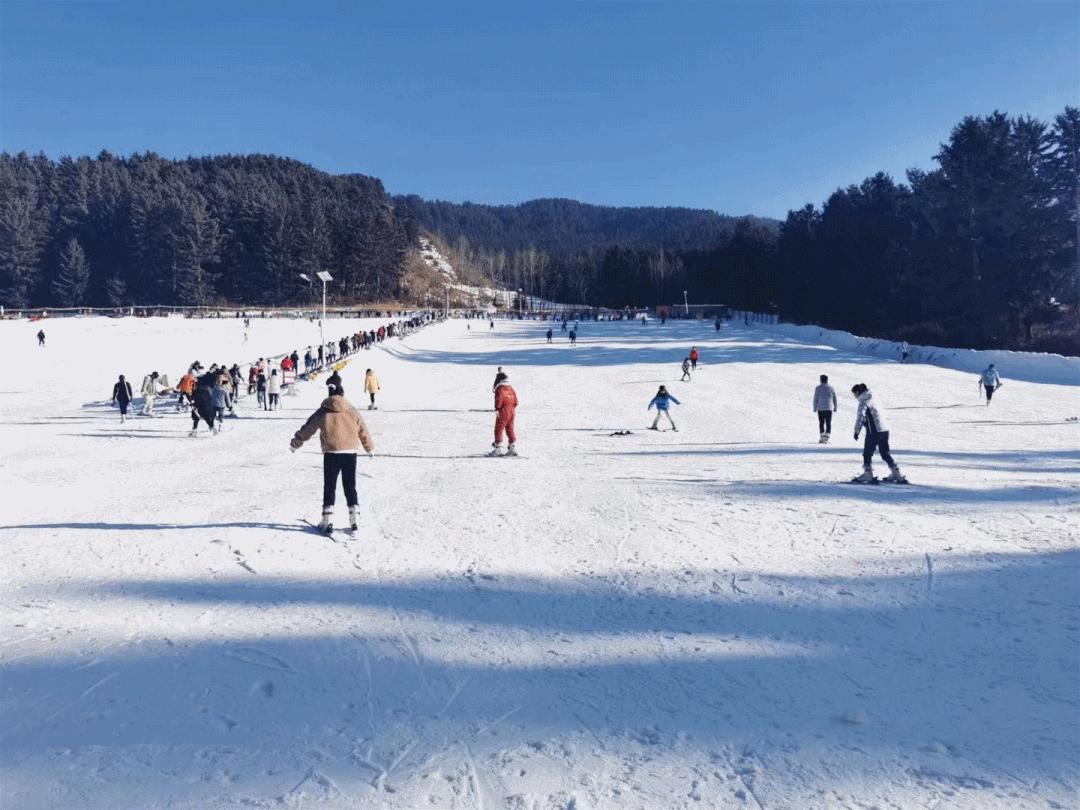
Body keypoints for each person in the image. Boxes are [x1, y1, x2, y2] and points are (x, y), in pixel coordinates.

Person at [290, 383, 374, 533]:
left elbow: (309, 427)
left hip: (332, 452)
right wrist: (369, 448)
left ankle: (327, 520)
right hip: (350, 452)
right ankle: (355, 520)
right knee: (350, 486)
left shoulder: (324, 411)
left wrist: (296, 443)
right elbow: (363, 429)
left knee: (330, 486)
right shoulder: (351, 410)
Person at [851, 383, 905, 483]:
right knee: (885, 453)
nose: (855, 397)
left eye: (854, 394)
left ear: (858, 392)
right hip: (885, 429)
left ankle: (868, 473)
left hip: (874, 430)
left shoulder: (864, 401)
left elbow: (861, 417)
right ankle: (896, 472)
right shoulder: (874, 397)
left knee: (867, 452)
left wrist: (856, 431)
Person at [490, 373, 519, 456]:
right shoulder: (511, 388)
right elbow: (516, 402)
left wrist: (497, 408)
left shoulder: (500, 389)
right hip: (512, 411)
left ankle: (498, 449)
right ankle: (512, 447)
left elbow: (499, 399)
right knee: (510, 428)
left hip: (503, 410)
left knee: (499, 428)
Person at [190, 371, 217, 437]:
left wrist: (192, 403)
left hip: (198, 405)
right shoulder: (207, 388)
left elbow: (194, 398)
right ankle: (213, 428)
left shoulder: (196, 389)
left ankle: (194, 432)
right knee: (206, 417)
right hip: (206, 405)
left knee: (196, 419)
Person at [813, 374, 838, 443]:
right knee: (828, 422)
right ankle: (826, 436)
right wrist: (835, 406)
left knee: (821, 422)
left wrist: (815, 407)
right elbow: (834, 398)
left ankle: (822, 436)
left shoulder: (818, 388)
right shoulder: (831, 388)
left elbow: (815, 398)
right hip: (829, 408)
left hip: (821, 408)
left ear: (821, 380)